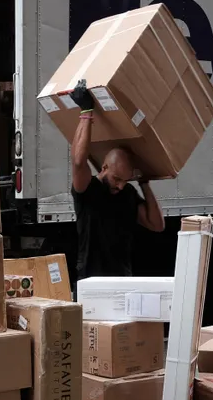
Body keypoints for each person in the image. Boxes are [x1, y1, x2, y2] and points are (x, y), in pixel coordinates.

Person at [68, 80, 165, 279]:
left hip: (122, 280)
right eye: (117, 179)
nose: (120, 185)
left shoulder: (128, 194)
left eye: (125, 180)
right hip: (90, 280)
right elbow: (78, 161)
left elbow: (157, 225)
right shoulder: (88, 189)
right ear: (104, 168)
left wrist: (144, 183)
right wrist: (86, 112)